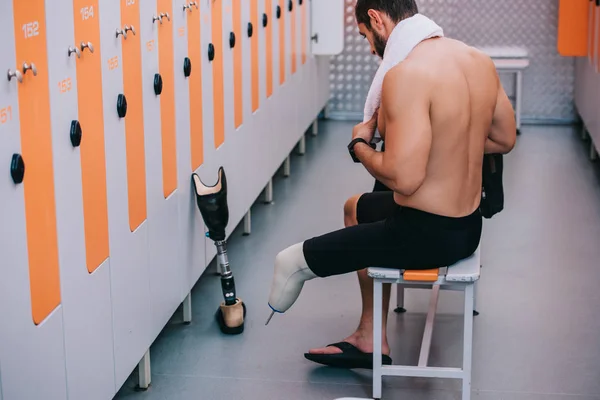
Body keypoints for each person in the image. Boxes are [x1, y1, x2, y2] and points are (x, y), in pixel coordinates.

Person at [265, 0, 517, 369]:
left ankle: (299, 274)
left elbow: (404, 178)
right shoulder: (476, 59)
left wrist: (359, 145)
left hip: (422, 235)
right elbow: (504, 138)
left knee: (289, 262)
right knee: (356, 207)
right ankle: (369, 336)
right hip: (469, 226)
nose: (370, 49)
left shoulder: (405, 75)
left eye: (367, 37)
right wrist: (446, 143)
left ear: (377, 20)